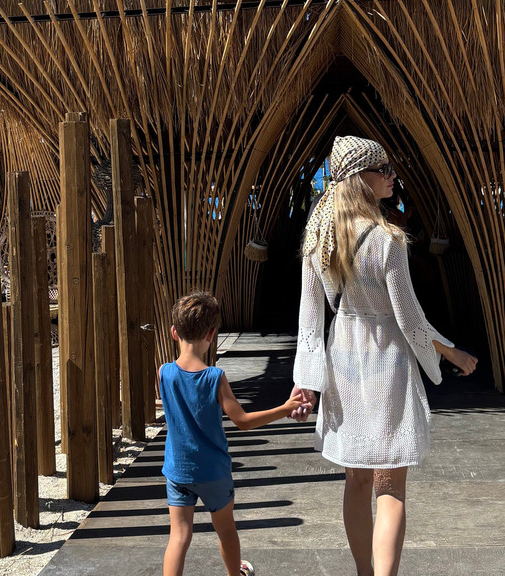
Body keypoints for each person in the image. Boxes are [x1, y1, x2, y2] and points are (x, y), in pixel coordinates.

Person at [291, 135, 478, 576]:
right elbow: (410, 319)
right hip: (387, 364)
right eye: (384, 169)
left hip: (343, 361)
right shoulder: (388, 239)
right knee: (390, 485)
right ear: (362, 178)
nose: (393, 176)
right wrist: (451, 353)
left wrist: (306, 381)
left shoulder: (318, 239)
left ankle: (363, 571)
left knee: (356, 480)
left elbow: (309, 320)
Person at [160, 291, 308, 576]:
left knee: (178, 536)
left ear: (174, 332)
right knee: (226, 530)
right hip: (213, 472)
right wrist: (284, 408)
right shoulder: (214, 377)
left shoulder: (163, 373)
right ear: (211, 334)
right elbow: (242, 421)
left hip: (178, 470)